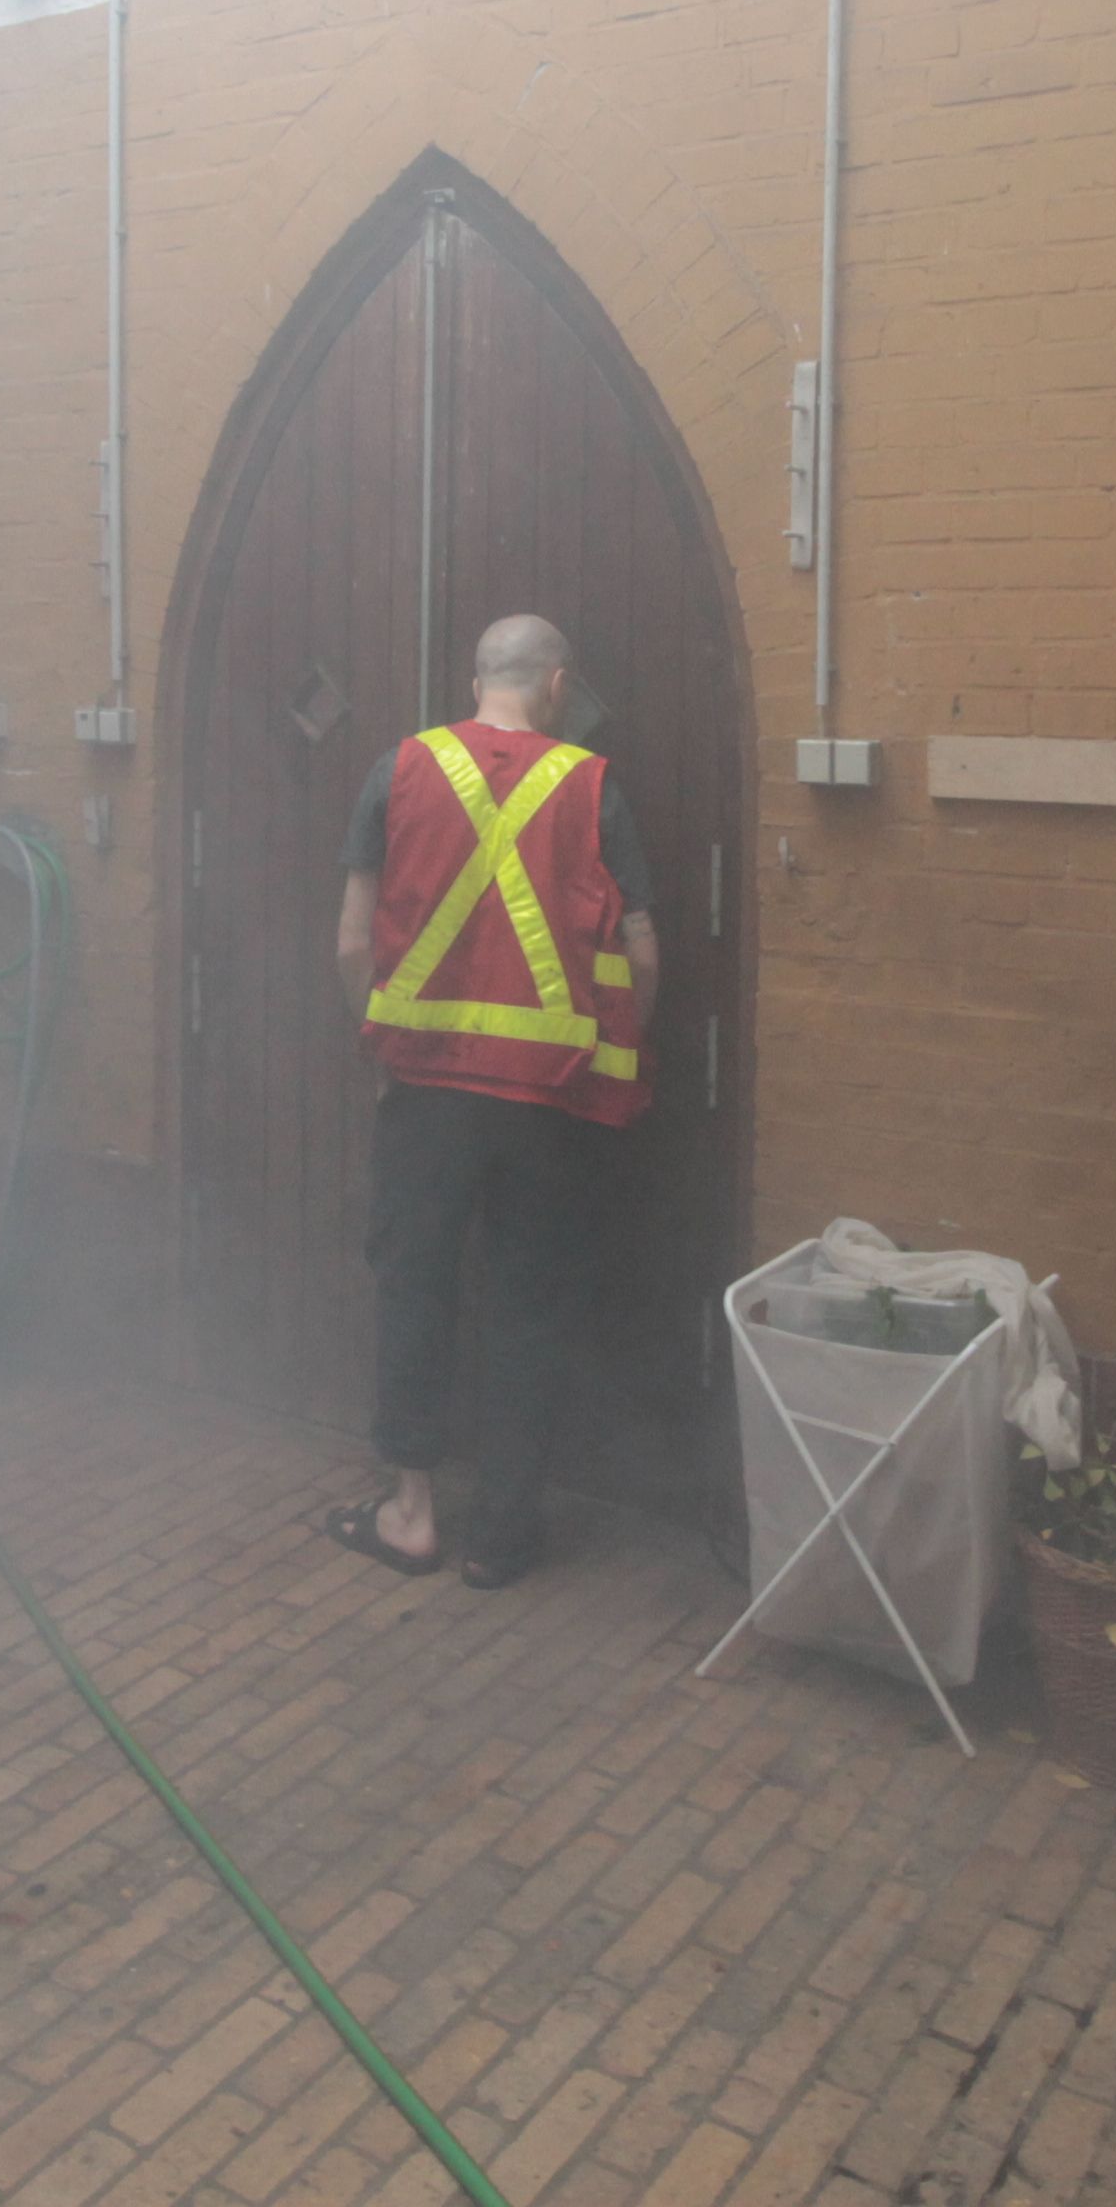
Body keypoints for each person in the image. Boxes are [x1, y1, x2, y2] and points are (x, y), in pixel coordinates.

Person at [318, 614, 661, 1590]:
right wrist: (617, 1060)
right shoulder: (591, 784)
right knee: (529, 1307)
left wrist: (382, 1039)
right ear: (556, 687)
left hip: (424, 1093)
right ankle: (503, 1535)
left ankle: (413, 1514)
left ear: (478, 680)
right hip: (547, 1103)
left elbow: (351, 942)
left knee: (414, 1288)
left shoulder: (399, 769)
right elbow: (639, 950)